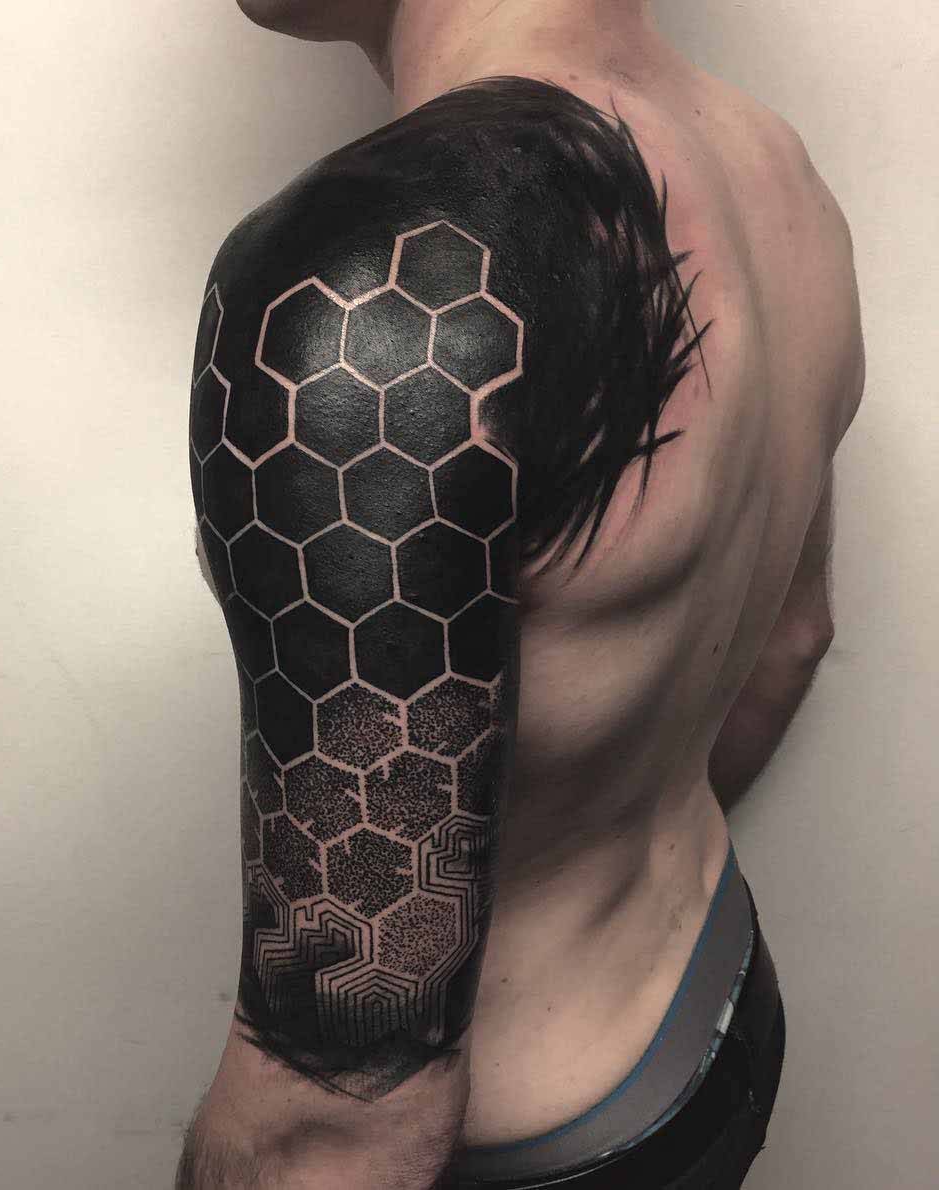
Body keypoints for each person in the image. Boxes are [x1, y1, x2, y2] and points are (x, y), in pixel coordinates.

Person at [181, 2, 864, 1186]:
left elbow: (341, 1110)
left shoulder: (381, 279)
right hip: (709, 1001)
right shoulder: (776, 171)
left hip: (529, 1142)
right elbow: (790, 642)